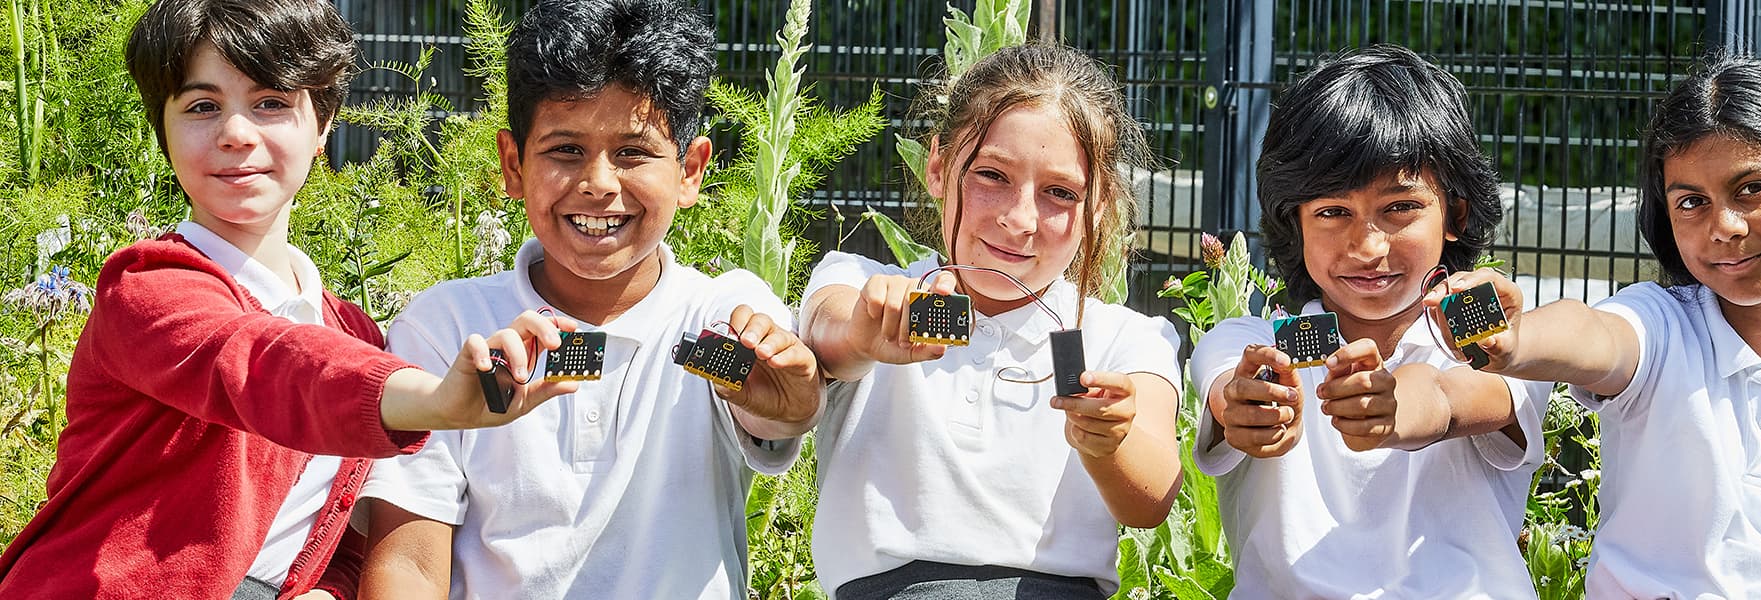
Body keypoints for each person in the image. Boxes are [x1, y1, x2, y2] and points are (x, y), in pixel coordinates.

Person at [0, 1, 571, 598]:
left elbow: (342, 532)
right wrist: (434, 400)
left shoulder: (356, 334)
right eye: (202, 107)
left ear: (323, 126)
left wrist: (331, 592)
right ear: (162, 131)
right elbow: (263, 366)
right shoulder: (148, 287)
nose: (236, 134)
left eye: (271, 103)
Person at [356, 1, 822, 597]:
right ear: (512, 164)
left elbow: (777, 404)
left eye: (633, 152)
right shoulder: (450, 331)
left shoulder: (715, 321)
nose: (599, 183)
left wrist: (792, 400)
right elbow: (408, 566)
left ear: (691, 170)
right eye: (565, 150)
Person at [1450, 56, 1761, 599]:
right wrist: (1515, 342)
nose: (1724, 227)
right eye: (1692, 202)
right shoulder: (1660, 325)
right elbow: (1594, 335)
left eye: (1753, 189)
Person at [798, 43, 1183, 599]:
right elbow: (826, 336)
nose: (1019, 218)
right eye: (992, 175)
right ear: (936, 166)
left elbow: (1150, 501)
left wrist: (1110, 441)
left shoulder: (1126, 338)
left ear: (1099, 205)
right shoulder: (859, 283)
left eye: (1059, 193)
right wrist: (865, 332)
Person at [1188, 44, 1550, 598]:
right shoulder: (1251, 342)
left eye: (1399, 207)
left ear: (1454, 213)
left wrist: (1397, 406)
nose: (1367, 245)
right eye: (1333, 212)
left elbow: (1470, 392)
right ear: (1294, 221)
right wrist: (1247, 407)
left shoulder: (1488, 334)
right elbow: (1230, 388)